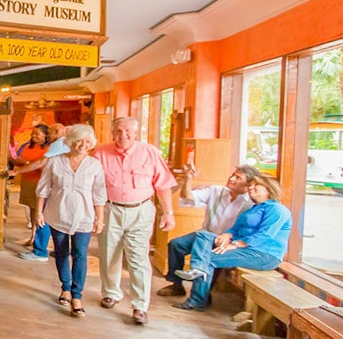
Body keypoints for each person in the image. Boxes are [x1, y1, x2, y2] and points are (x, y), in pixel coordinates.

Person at [95, 116, 177, 325]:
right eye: (119, 131)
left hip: (141, 210)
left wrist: (168, 212)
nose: (123, 135)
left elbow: (163, 184)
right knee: (108, 253)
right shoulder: (101, 152)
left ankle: (140, 305)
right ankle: (111, 292)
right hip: (110, 208)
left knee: (138, 258)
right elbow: (92, 184)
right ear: (112, 133)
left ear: (136, 132)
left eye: (128, 131)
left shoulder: (149, 152)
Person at [172, 172, 292, 311]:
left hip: (264, 254)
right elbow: (236, 228)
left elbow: (265, 235)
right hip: (245, 248)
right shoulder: (254, 208)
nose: (251, 188)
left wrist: (234, 244)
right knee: (203, 235)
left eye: (256, 185)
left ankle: (197, 300)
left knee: (208, 259)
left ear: (269, 189)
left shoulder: (277, 209)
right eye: (251, 185)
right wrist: (228, 235)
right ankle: (198, 269)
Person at [156, 164, 258, 298]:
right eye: (233, 174)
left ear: (247, 185)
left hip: (227, 242)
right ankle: (176, 285)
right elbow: (188, 197)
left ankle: (203, 294)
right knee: (176, 244)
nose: (231, 178)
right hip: (204, 235)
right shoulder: (216, 191)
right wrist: (188, 179)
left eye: (238, 177)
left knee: (211, 258)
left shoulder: (251, 204)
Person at [35, 124, 106, 317]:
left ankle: (76, 295)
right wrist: (39, 212)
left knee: (80, 254)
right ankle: (65, 286)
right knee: (61, 251)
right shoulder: (55, 162)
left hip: (84, 216)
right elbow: (43, 189)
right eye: (79, 140)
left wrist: (100, 219)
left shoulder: (94, 165)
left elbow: (99, 194)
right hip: (58, 213)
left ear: (92, 144)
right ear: (70, 141)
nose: (83, 145)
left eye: (87, 142)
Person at [11, 122, 67, 262]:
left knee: (43, 216)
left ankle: (41, 251)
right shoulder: (60, 145)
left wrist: (16, 171)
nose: (50, 135)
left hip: (50, 186)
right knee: (44, 215)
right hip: (49, 186)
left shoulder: (58, 144)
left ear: (60, 132)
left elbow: (40, 163)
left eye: (52, 132)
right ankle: (57, 249)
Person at [11, 125, 50, 248]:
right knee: (32, 209)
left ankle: (39, 239)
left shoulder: (48, 149)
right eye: (33, 133)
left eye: (37, 134)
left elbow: (41, 165)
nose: (33, 136)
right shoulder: (27, 146)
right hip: (27, 181)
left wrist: (28, 163)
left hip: (39, 182)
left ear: (45, 135)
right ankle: (33, 235)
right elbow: (20, 158)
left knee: (39, 211)